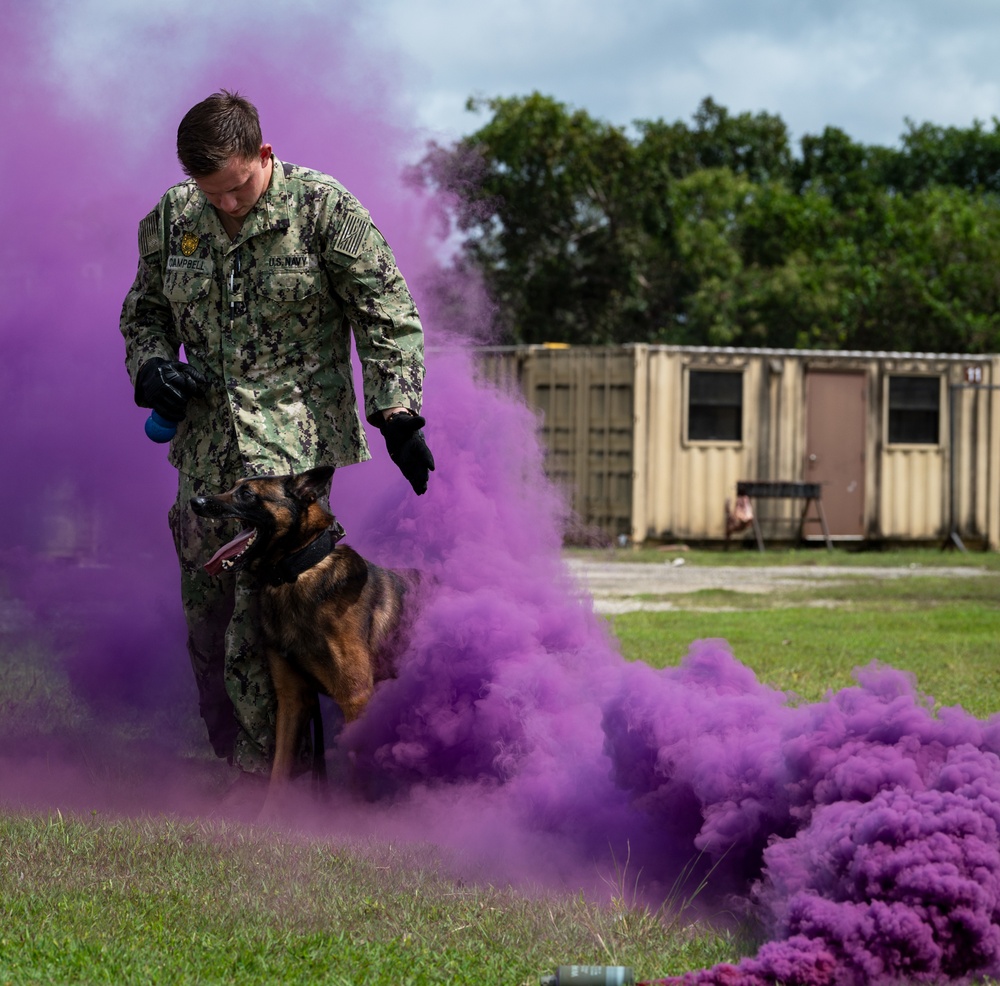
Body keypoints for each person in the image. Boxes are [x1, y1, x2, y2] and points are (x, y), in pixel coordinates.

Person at [120, 90, 434, 797]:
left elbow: (387, 313)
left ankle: (279, 784)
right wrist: (151, 369)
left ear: (264, 155)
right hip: (205, 456)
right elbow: (142, 313)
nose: (227, 206)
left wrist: (399, 412)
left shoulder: (325, 210)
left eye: (237, 188)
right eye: (212, 194)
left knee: (270, 620)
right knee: (207, 623)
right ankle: (239, 762)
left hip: (292, 459)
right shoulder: (174, 218)